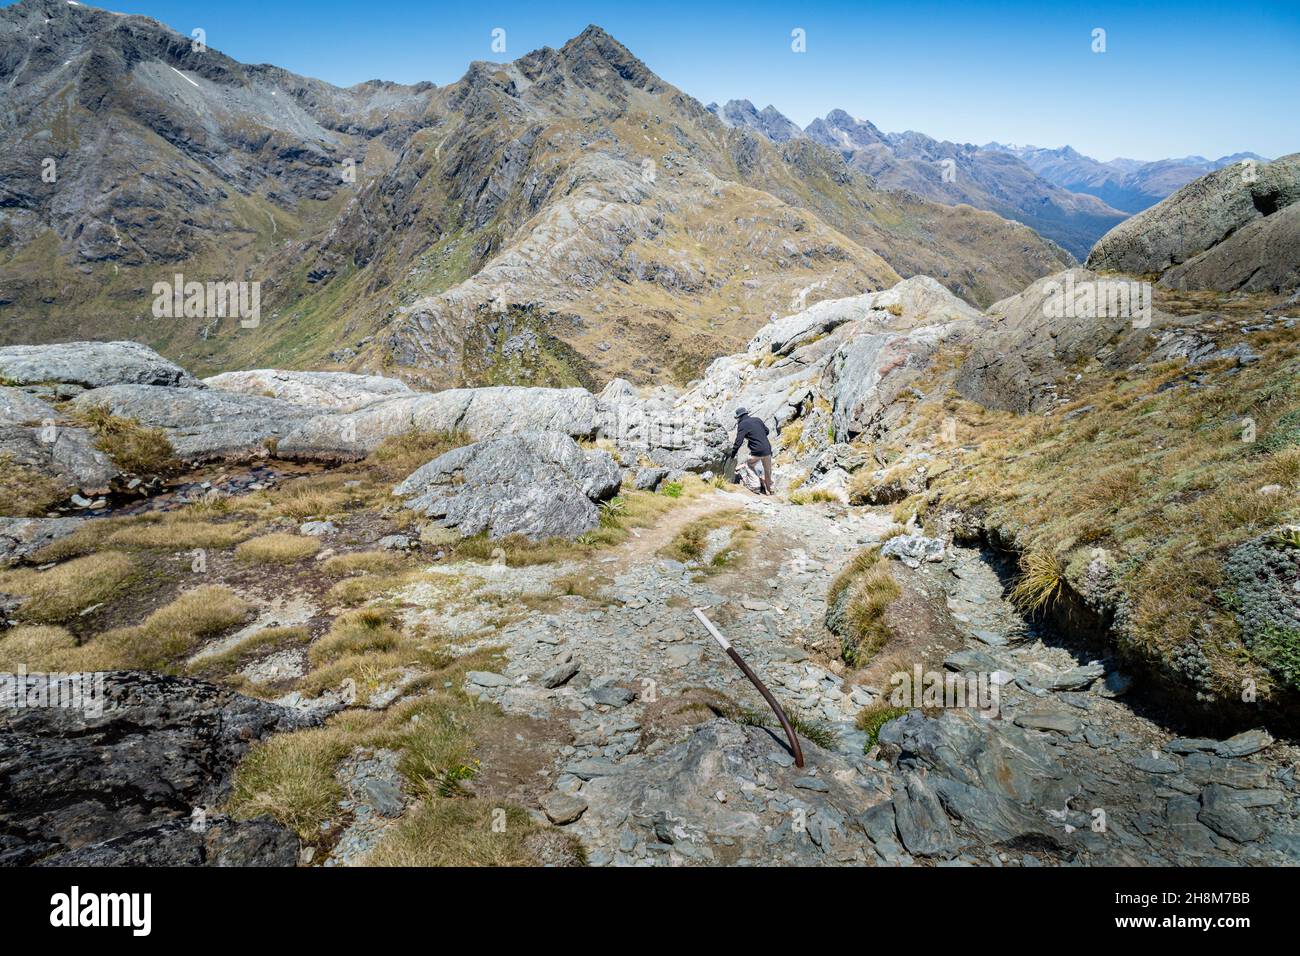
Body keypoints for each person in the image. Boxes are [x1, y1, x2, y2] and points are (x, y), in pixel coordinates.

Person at [731, 407, 773, 495]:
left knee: (749, 465)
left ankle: (755, 486)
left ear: (739, 417)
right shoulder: (757, 420)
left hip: (756, 451)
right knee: (767, 469)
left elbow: (738, 441)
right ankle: (770, 489)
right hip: (767, 449)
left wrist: (732, 454)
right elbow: (767, 431)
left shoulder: (742, 424)